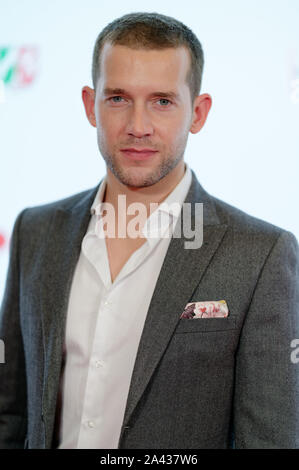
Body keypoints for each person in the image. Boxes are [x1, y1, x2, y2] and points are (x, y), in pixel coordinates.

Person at [0, 12, 298, 450]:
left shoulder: (260, 254)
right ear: (90, 105)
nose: (138, 126)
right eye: (118, 98)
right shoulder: (36, 230)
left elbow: (269, 440)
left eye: (162, 101)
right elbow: (10, 412)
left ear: (197, 112)